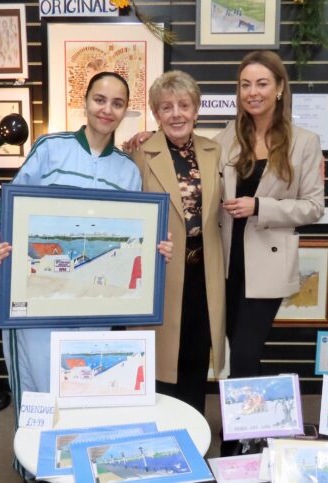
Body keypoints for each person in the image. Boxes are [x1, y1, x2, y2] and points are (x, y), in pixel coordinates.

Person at [0, 71, 172, 474]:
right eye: (100, 99)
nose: (107, 109)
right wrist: (0, 241)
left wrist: (157, 247)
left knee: (86, 385)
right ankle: (34, 470)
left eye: (118, 103)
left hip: (95, 305)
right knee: (37, 387)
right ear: (85, 102)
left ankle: (78, 469)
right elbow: (10, 206)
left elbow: (134, 234)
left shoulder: (127, 170)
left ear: (126, 110)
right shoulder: (51, 149)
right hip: (37, 301)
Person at [215, 50, 324, 380]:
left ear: (279, 87)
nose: (253, 92)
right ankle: (248, 425)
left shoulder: (304, 142)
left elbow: (313, 207)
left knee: (247, 350)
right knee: (239, 350)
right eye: (245, 84)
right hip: (226, 261)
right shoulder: (225, 138)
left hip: (267, 263)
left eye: (262, 83)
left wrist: (259, 206)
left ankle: (243, 431)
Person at [128, 70, 225, 414]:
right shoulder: (139, 154)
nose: (176, 114)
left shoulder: (215, 151)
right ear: (156, 114)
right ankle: (160, 431)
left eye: (184, 105)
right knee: (160, 355)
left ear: (196, 110)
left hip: (203, 272)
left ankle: (193, 426)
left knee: (196, 353)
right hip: (161, 272)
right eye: (166, 107)